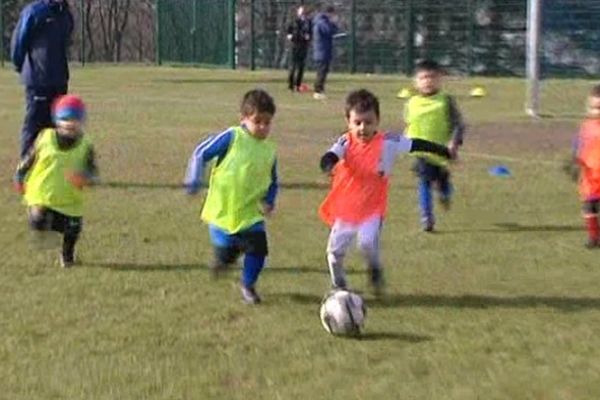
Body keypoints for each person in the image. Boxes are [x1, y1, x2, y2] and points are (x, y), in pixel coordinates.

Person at [319, 89, 452, 293]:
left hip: (373, 207)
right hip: (346, 207)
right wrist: (328, 166)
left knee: (366, 243)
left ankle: (374, 268)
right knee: (333, 254)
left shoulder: (388, 142)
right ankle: (339, 285)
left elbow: (415, 144)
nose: (363, 127)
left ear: (377, 121)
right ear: (349, 122)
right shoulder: (345, 142)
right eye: (358, 123)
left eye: (369, 122)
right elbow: (330, 156)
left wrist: (441, 150)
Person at [184, 89, 278, 305]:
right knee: (226, 254)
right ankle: (222, 261)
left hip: (251, 213)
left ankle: (248, 285)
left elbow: (273, 180)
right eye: (258, 121)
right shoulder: (232, 137)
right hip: (223, 213)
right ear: (244, 118)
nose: (263, 127)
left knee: (258, 251)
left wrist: (270, 200)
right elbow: (200, 153)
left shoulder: (269, 150)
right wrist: (194, 179)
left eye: (267, 122)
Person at [13, 94, 99, 268]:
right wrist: (20, 176)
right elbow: (28, 159)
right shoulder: (45, 138)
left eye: (75, 118)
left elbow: (93, 172)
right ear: (56, 120)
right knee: (39, 222)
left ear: (81, 121)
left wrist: (85, 177)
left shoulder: (86, 145)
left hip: (70, 198)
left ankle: (67, 257)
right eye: (65, 118)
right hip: (43, 193)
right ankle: (37, 216)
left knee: (73, 229)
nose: (69, 123)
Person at [403, 59, 465, 232]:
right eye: (423, 77)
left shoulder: (445, 101)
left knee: (442, 183)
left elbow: (459, 124)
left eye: (432, 77)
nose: (428, 81)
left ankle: (445, 193)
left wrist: (454, 141)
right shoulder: (412, 102)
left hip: (442, 151)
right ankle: (427, 217)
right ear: (416, 81)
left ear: (440, 79)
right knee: (424, 181)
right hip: (421, 152)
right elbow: (410, 123)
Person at [10, 0, 74, 159]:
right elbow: (19, 43)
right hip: (38, 81)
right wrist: (23, 67)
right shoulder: (34, 11)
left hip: (59, 81)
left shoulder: (66, 14)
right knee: (34, 125)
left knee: (58, 126)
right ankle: (26, 167)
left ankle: (53, 164)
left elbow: (65, 42)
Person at [573, 84, 600, 248]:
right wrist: (575, 159)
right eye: (593, 108)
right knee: (589, 206)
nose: (596, 112)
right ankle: (593, 237)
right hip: (589, 175)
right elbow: (579, 143)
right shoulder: (586, 126)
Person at [311, 5, 339, 100]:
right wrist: (333, 23)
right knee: (321, 72)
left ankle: (319, 90)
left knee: (323, 71)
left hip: (323, 50)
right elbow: (330, 31)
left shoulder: (320, 21)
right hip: (322, 51)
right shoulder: (322, 22)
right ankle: (318, 91)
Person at [286, 5, 312, 92]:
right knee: (293, 66)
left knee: (301, 67)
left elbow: (310, 32)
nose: (303, 14)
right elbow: (288, 31)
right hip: (294, 45)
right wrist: (290, 36)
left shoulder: (308, 22)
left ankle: (298, 85)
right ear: (298, 13)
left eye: (304, 12)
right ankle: (290, 85)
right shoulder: (294, 21)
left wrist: (308, 37)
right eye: (301, 12)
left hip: (303, 46)